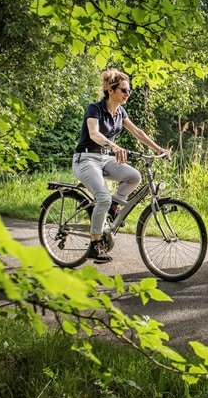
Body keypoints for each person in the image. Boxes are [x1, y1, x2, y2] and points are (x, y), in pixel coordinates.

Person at [72, 69, 170, 263]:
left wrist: (159, 149)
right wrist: (114, 146)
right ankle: (95, 243)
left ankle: (114, 204)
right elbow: (94, 133)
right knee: (103, 197)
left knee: (134, 176)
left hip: (105, 159)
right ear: (110, 90)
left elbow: (137, 132)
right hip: (86, 159)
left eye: (129, 90)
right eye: (124, 90)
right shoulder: (94, 109)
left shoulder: (120, 112)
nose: (128, 94)